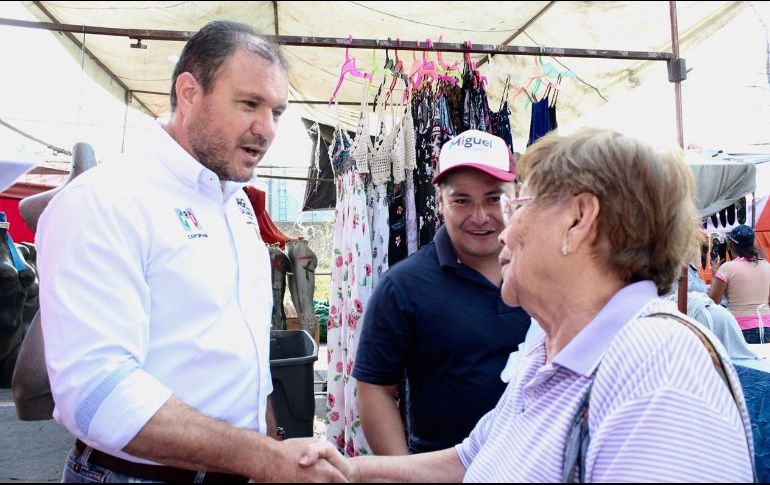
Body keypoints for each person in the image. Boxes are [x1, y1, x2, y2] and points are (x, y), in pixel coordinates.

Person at [299, 128, 755, 482]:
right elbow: (474, 455)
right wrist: (350, 470)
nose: (501, 227)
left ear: (578, 220)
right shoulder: (547, 342)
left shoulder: (661, 373)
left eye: (517, 203)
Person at [35, 21, 344, 483]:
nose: (267, 129)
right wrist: (263, 458)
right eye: (249, 104)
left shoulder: (236, 202)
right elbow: (98, 393)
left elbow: (247, 360)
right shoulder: (106, 199)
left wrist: (269, 447)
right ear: (189, 93)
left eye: (277, 111)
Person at [352, 130, 530, 455]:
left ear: (516, 194)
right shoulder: (403, 286)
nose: (480, 216)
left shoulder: (546, 272)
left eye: (493, 198)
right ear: (440, 203)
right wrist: (404, 475)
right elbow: (375, 387)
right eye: (462, 200)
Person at [709, 224, 770, 343]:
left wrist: (715, 276)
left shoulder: (727, 268)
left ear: (731, 245)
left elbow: (712, 302)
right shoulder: (767, 266)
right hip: (767, 327)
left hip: (739, 329)